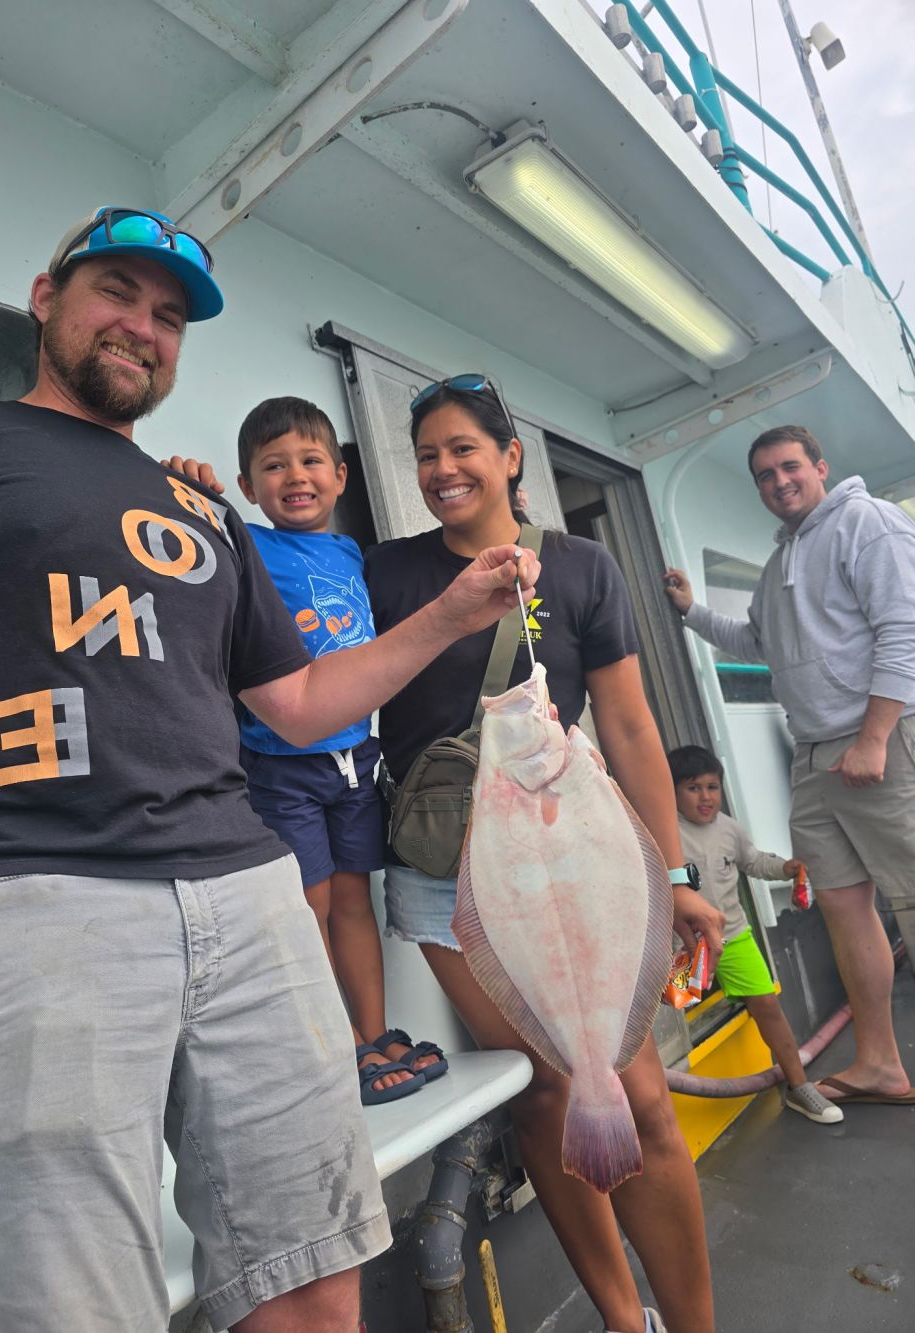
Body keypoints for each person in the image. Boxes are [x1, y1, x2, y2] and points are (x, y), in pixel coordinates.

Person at [0, 209, 542, 1333]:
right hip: (28, 891)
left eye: (168, 318)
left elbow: (298, 703)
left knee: (312, 1276)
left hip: (250, 896)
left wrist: (450, 615)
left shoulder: (202, 507)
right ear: (46, 296)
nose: (142, 328)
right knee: (63, 1307)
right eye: (117, 293)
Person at [363, 376, 726, 1333]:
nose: (444, 469)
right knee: (551, 1090)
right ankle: (621, 1316)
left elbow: (634, 729)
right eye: (427, 455)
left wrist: (675, 877)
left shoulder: (580, 568)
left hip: (576, 870)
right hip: (449, 883)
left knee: (640, 1099)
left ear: (509, 456)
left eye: (463, 449)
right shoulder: (385, 573)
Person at [663, 424, 915, 1109]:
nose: (779, 482)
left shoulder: (868, 522)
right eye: (766, 476)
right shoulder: (779, 565)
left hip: (877, 741)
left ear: (820, 466)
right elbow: (755, 641)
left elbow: (903, 628)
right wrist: (691, 613)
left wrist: (875, 735)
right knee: (842, 906)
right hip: (813, 756)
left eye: (790, 467)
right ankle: (880, 1062)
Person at [235, 395, 447, 1104]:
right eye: (273, 466)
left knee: (357, 896)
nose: (295, 476)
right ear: (248, 488)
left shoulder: (351, 552)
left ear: (341, 475)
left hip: (357, 760)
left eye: (310, 460)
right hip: (282, 763)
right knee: (312, 903)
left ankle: (375, 1030)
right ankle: (339, 1045)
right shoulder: (247, 542)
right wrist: (190, 483)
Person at [667, 745, 843, 1124]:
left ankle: (799, 1087)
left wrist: (785, 867)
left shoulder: (729, 828)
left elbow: (754, 861)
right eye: (693, 788)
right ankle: (664, 1109)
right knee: (671, 1008)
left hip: (734, 940)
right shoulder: (665, 834)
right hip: (685, 947)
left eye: (713, 787)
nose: (706, 796)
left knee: (768, 1007)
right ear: (672, 791)